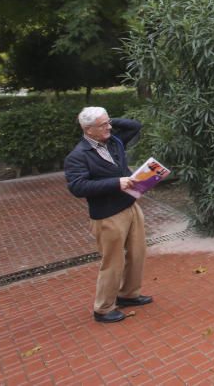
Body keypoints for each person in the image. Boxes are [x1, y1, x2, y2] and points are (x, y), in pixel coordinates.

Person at [64, 107, 152, 323]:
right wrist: (116, 183)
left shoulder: (113, 141)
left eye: (109, 122)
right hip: (107, 215)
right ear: (88, 130)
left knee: (137, 253)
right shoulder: (77, 156)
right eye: (103, 125)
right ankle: (103, 308)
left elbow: (135, 126)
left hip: (131, 206)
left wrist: (107, 117)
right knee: (113, 261)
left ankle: (128, 294)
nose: (109, 127)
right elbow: (78, 187)